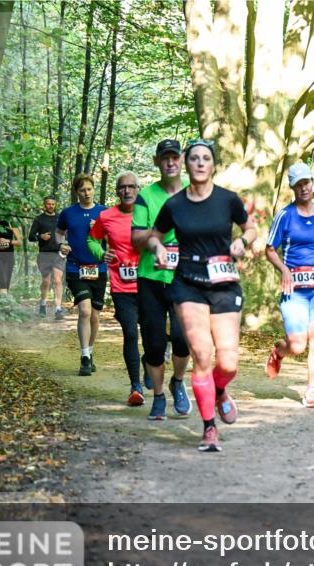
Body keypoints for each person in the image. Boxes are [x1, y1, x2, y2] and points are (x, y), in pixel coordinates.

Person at [147, 139, 255, 452]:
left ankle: (220, 389)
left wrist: (242, 243)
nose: (199, 163)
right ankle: (209, 428)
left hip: (223, 282)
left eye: (205, 158)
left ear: (213, 165)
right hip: (188, 282)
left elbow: (250, 228)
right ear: (186, 163)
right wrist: (158, 250)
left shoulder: (227, 200)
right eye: (193, 158)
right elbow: (154, 237)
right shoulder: (175, 205)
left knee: (229, 361)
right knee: (202, 354)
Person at [264, 163, 314, 408]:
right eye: (298, 185)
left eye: (306, 183)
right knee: (298, 345)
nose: (303, 188)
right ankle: (280, 350)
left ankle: (311, 390)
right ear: (293, 188)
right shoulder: (285, 216)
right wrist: (285, 270)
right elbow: (269, 250)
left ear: (312, 183)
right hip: (294, 286)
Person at [131, 139, 192, 420]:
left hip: (184, 279)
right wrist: (158, 241)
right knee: (154, 344)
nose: (170, 162)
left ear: (182, 161)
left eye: (174, 157)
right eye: (164, 158)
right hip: (151, 279)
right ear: (157, 162)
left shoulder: (195, 195)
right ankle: (157, 396)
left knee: (182, 339)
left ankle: (177, 382)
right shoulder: (146, 196)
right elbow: (136, 237)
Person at [88, 171, 145, 406]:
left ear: (138, 189)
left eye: (132, 186)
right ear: (117, 192)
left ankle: (151, 367)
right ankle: (136, 387)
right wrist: (102, 253)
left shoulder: (149, 213)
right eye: (122, 187)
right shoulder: (107, 216)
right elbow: (92, 239)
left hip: (149, 283)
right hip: (122, 288)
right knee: (131, 333)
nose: (127, 191)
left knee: (154, 336)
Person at [57, 174, 108, 376]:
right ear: (76, 192)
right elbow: (59, 232)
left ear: (93, 189)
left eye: (89, 189)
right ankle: (84, 356)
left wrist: (98, 229)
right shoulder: (68, 213)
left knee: (95, 315)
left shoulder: (104, 212)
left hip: (99, 268)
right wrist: (62, 244)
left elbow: (112, 237)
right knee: (85, 311)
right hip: (75, 267)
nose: (86, 193)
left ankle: (90, 351)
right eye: (82, 190)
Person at [28, 196, 66, 319]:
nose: (50, 206)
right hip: (44, 254)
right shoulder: (39, 219)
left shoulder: (61, 218)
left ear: (55, 204)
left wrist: (68, 244)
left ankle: (58, 309)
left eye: (53, 204)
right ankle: (43, 304)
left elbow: (68, 232)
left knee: (57, 280)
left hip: (59, 254)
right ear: (45, 205)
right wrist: (41, 236)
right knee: (46, 281)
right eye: (48, 204)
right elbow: (31, 237)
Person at [0, 219, 22, 293]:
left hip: (8, 256)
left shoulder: (13, 228)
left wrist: (8, 241)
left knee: (7, 280)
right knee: (2, 279)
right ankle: (2, 300)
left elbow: (19, 242)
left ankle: (5, 299)